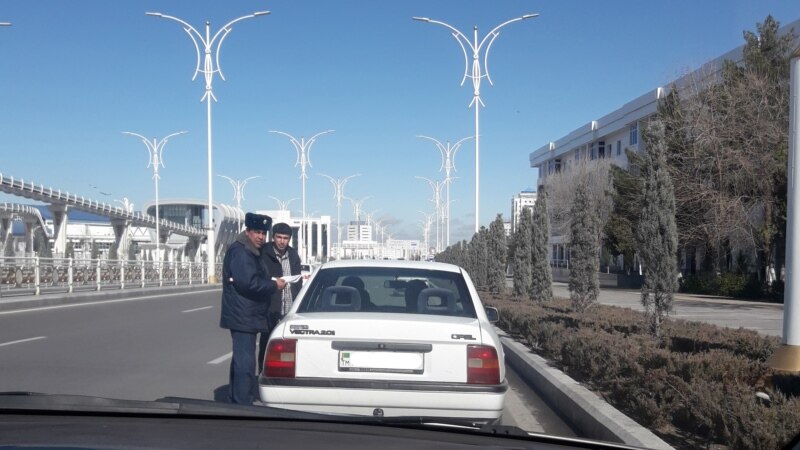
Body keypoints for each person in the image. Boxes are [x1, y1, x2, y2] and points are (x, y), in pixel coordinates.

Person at [220, 212, 287, 405]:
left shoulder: (250, 250)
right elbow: (248, 283)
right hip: (243, 314)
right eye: (257, 232)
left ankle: (236, 401)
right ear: (247, 231)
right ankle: (243, 404)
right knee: (245, 364)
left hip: (247, 313)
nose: (261, 237)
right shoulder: (242, 252)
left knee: (240, 361)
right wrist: (274, 285)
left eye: (264, 233)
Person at [258, 222, 303, 372]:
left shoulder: (293, 254)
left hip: (290, 306)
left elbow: (298, 280)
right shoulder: (264, 253)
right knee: (267, 341)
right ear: (273, 237)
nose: (282, 241)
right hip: (270, 305)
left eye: (285, 238)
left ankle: (286, 374)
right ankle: (263, 373)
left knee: (290, 344)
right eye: (279, 237)